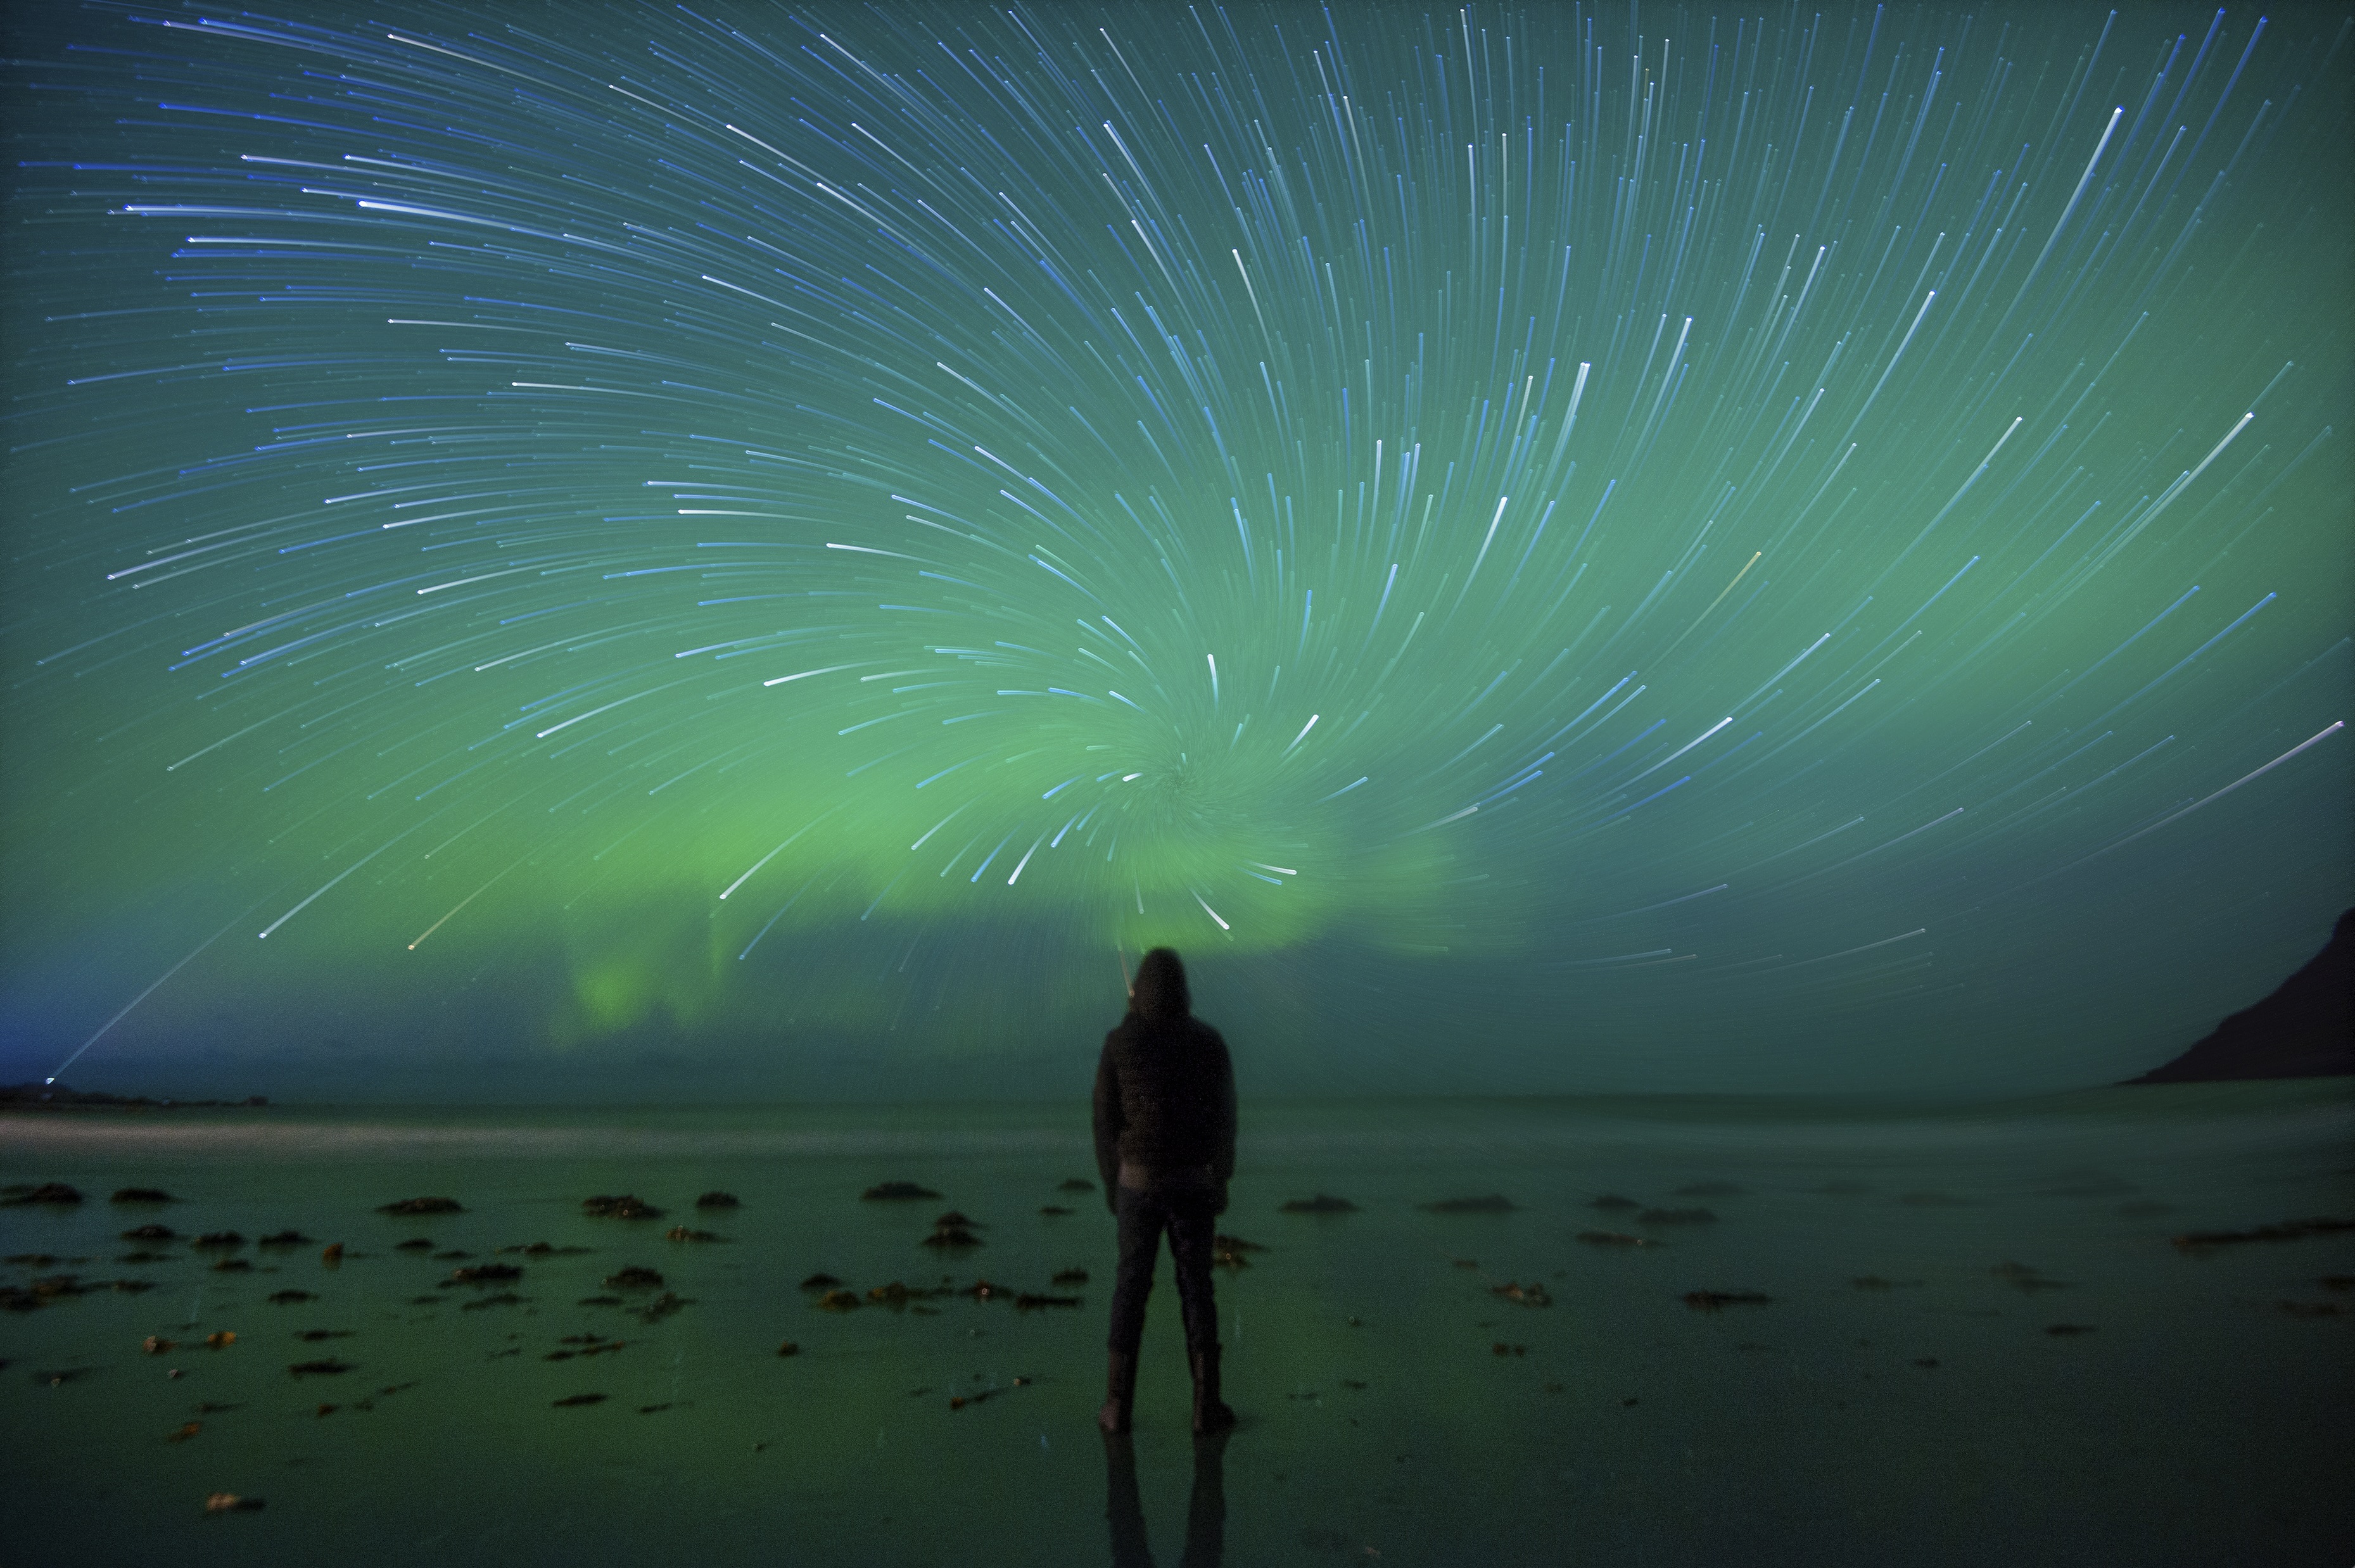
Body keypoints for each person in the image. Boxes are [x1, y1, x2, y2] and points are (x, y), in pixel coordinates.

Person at [1092, 946, 1238, 1434]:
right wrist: (1221, 1179)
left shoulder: (1119, 1043)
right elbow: (1224, 1120)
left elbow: (1105, 1123)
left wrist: (1115, 1187)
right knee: (1197, 1291)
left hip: (1139, 1182)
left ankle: (1116, 1407)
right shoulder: (1209, 1042)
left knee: (1130, 1290)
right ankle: (1205, 1407)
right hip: (1193, 1182)